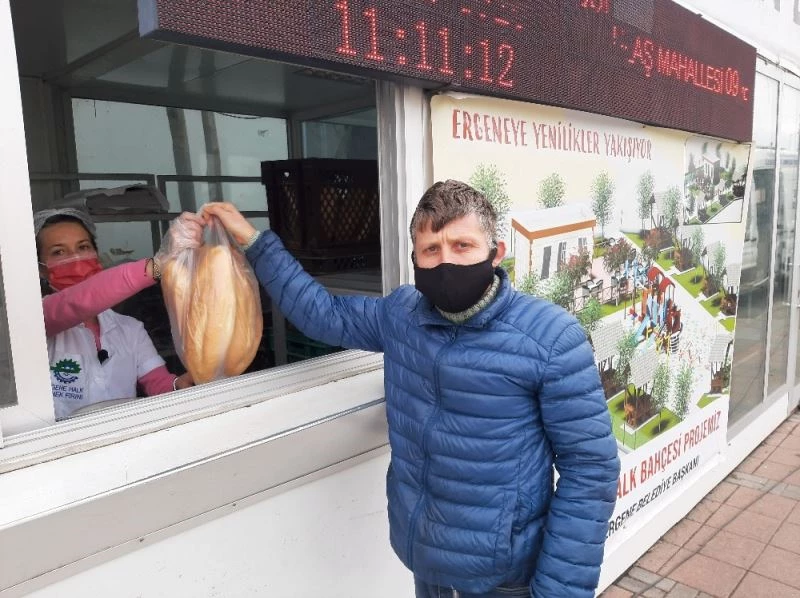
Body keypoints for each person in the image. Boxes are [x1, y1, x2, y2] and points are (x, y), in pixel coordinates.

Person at [203, 180, 620, 597]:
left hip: (505, 578)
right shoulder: (402, 315)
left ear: (496, 253)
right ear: (415, 260)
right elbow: (321, 314)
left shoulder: (549, 339)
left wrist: (559, 592)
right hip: (427, 563)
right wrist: (254, 241)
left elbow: (591, 470)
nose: (446, 263)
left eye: (462, 246)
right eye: (431, 250)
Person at [35, 207, 199, 420]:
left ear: (96, 255)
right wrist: (158, 265)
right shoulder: (39, 320)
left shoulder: (130, 328)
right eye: (59, 252)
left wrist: (178, 385)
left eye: (83, 247)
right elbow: (77, 302)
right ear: (41, 268)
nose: (75, 257)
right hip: (65, 449)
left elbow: (157, 383)